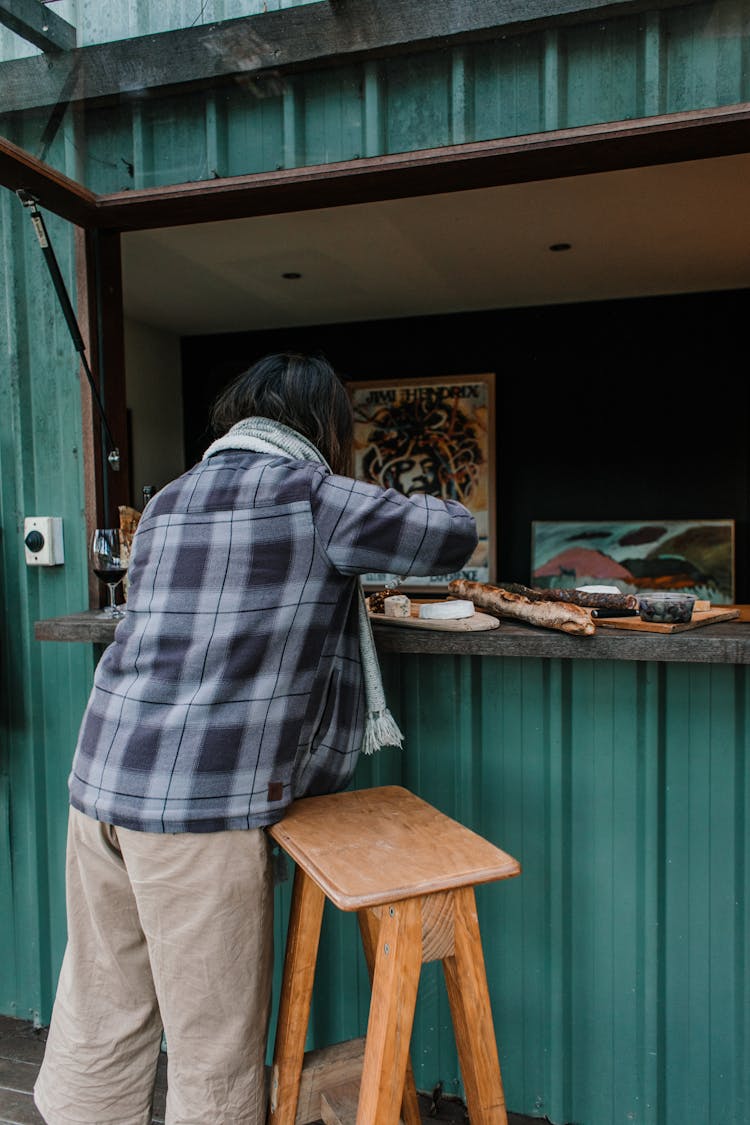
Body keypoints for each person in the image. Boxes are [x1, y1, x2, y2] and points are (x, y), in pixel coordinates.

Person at [34, 351, 478, 1125]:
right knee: (213, 1042)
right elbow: (453, 534)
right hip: (195, 810)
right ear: (323, 428)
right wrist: (355, 490)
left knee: (103, 1002)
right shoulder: (315, 496)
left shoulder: (170, 498)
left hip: (99, 779)